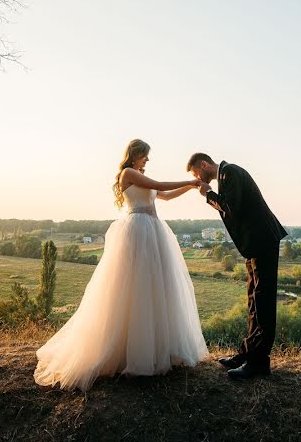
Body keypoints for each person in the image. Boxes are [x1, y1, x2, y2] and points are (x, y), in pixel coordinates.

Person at [34, 139, 209, 391]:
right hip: (138, 231)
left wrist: (191, 188)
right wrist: (190, 181)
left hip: (153, 231)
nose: (148, 160)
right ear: (136, 154)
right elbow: (159, 185)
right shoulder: (128, 173)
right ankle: (125, 352)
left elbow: (165, 196)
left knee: (155, 287)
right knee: (131, 288)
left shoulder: (139, 175)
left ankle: (158, 349)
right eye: (145, 156)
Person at [188, 153, 287, 380]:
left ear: (204, 165)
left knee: (263, 302)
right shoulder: (225, 176)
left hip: (263, 240)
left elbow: (230, 208)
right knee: (254, 299)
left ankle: (259, 363)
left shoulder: (230, 172)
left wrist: (208, 194)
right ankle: (246, 354)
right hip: (254, 244)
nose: (199, 178)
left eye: (196, 174)